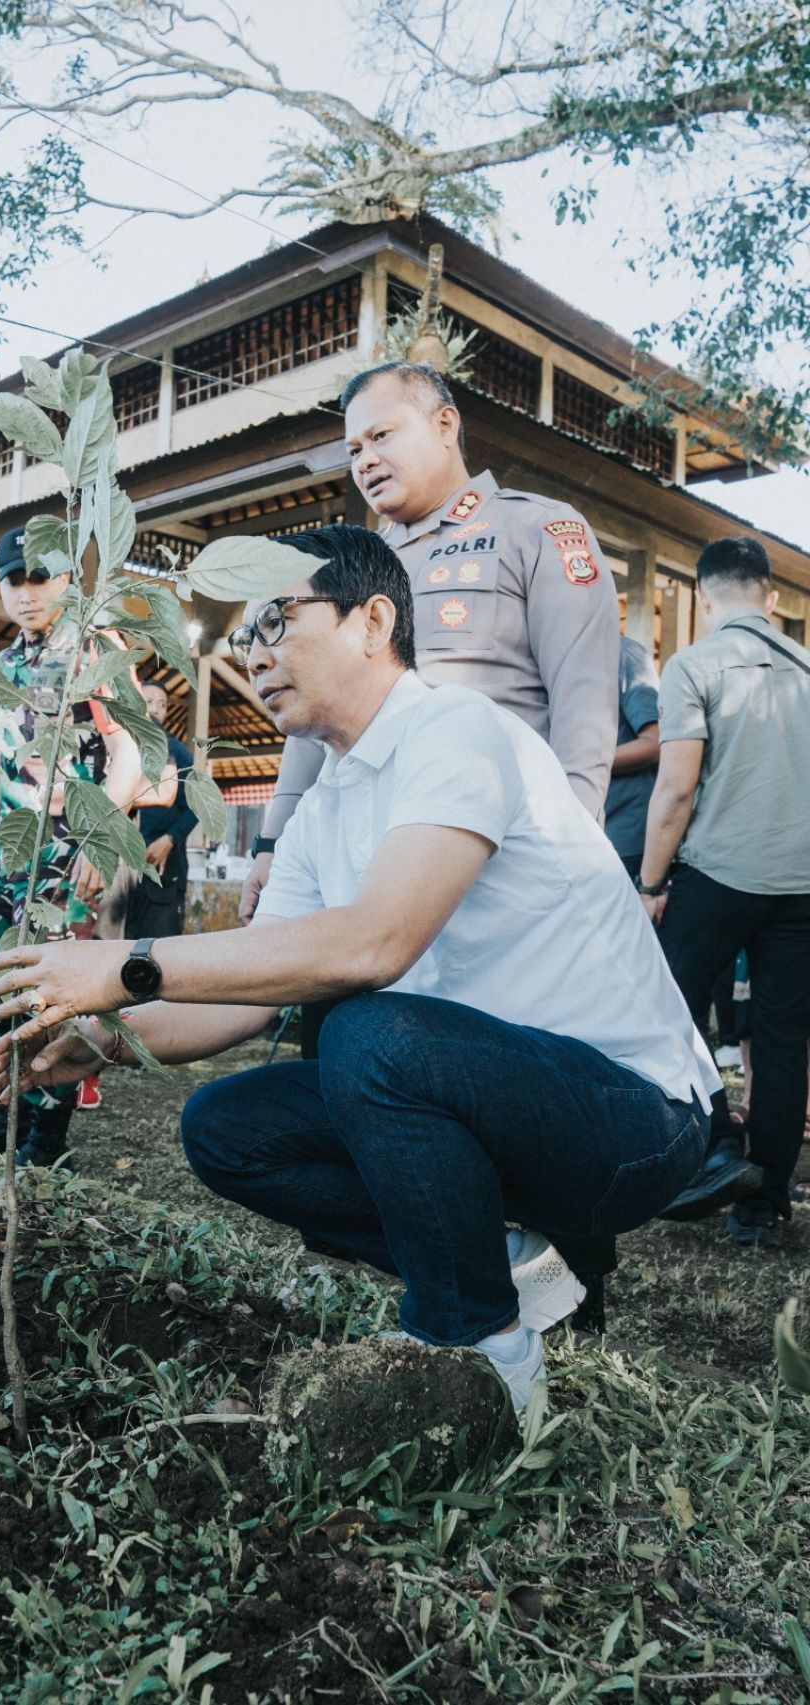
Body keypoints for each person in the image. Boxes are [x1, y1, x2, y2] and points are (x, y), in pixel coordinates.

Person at [0, 526, 716, 1417]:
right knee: (226, 1126)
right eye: (249, 635)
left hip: (631, 1117)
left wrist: (125, 964)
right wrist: (100, 1037)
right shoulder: (328, 801)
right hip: (488, 1100)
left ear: (372, 621)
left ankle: (478, 1349)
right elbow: (257, 993)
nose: (257, 655)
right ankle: (512, 1260)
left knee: (369, 1034)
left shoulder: (458, 730)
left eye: (279, 620)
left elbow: (377, 943)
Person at [241, 360, 619, 927]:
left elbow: (583, 702)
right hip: (356, 848)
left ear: (445, 425)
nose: (364, 460)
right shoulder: (346, 568)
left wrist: (571, 842)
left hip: (487, 845)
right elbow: (310, 710)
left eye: (380, 436)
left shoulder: (535, 530)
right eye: (352, 451)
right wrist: (273, 842)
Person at [0, 526, 145, 1164]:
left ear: (64, 581)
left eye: (39, 579)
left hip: (70, 844)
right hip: (11, 851)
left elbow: (129, 752)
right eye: (12, 582)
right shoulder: (3, 667)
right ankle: (5, 1115)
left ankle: (47, 1138)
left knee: (49, 993)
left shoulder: (96, 648)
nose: (25, 594)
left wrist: (100, 837)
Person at [639, 537, 810, 1247]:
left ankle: (714, 1145)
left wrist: (650, 880)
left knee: (667, 1007)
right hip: (802, 886)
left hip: (715, 874)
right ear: (769, 597)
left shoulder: (694, 663)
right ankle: (763, 1205)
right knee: (781, 1040)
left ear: (705, 597)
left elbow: (676, 787)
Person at [124, 680, 197, 940]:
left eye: (163, 704)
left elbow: (195, 808)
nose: (156, 709)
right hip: (123, 873)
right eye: (148, 702)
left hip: (163, 869)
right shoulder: (122, 749)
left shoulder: (178, 753)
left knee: (156, 947)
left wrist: (170, 839)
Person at [604, 634, 661, 879]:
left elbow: (654, 743)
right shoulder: (563, 655)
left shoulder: (626, 654)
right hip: (580, 833)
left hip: (623, 837)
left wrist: (581, 762)